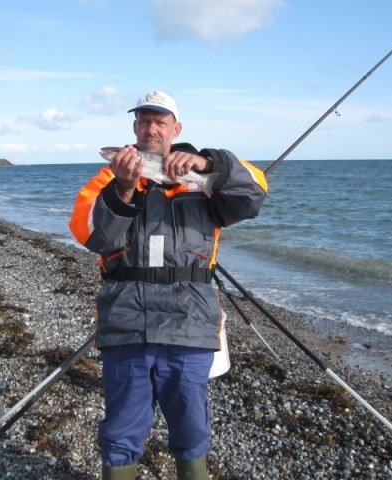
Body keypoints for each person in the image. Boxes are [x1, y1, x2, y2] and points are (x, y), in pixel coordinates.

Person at [69, 90, 268, 479]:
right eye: (144, 121)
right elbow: (91, 235)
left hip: (190, 324)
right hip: (126, 324)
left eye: (161, 122)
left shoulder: (203, 178)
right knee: (121, 433)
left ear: (176, 129)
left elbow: (255, 194)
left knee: (192, 431)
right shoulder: (108, 178)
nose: (152, 128)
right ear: (134, 128)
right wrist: (123, 187)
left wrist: (210, 162)